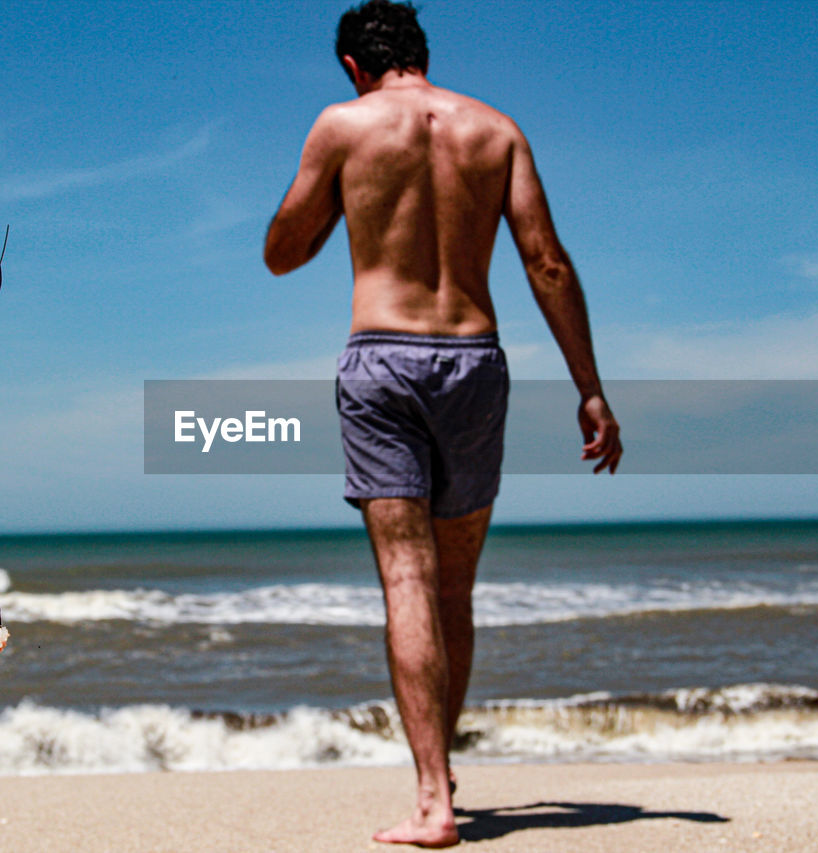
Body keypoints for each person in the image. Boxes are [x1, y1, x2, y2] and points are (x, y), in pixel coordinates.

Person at [264, 1, 622, 846]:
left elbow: (283, 250)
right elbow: (547, 260)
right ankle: (443, 769)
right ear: (421, 54)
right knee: (454, 585)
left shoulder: (341, 125)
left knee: (406, 580)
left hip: (383, 361)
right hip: (474, 360)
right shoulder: (497, 131)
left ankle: (432, 798)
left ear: (354, 65)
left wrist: (351, 198)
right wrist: (591, 389)